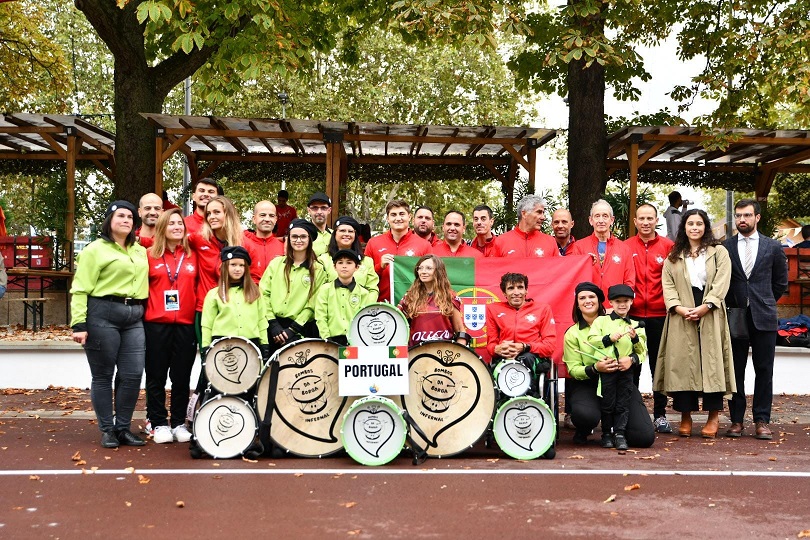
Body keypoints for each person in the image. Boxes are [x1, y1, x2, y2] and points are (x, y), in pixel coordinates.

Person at [70, 200, 149, 449]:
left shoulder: (140, 251)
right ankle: (107, 430)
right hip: (102, 314)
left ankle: (123, 428)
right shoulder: (94, 250)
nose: (126, 220)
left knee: (133, 374)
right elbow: (80, 288)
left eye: (130, 217)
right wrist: (79, 324)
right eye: (120, 216)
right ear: (109, 220)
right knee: (103, 375)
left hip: (134, 315)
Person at [654, 209, 735, 438]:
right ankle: (685, 416)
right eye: (690, 223)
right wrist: (678, 308)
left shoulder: (719, 252)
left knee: (712, 363)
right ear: (684, 227)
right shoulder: (674, 255)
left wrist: (707, 305)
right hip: (681, 312)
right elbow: (668, 285)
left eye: (699, 223)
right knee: (683, 364)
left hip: (710, 310)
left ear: (706, 226)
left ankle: (713, 417)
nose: (695, 228)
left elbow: (722, 281)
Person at [723, 199, 788, 440]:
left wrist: (765, 301)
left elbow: (780, 282)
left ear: (757, 217)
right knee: (735, 370)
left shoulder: (773, 247)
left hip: (764, 315)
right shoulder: (726, 247)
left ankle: (761, 420)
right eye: (739, 215)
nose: (742, 219)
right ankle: (736, 420)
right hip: (735, 314)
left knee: (764, 370)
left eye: (747, 215)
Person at [563, 282, 654, 448]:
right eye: (582, 298)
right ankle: (588, 428)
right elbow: (573, 369)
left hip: (620, 380)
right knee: (585, 415)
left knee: (644, 437)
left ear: (600, 301)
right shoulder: (572, 333)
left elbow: (641, 351)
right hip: (590, 383)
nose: (587, 301)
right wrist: (596, 368)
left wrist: (631, 359)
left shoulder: (622, 323)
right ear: (577, 303)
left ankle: (619, 432)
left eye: (592, 297)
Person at [144, 208, 198, 444]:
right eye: (171, 223)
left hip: (185, 324)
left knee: (181, 376)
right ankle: (157, 422)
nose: (177, 227)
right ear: (162, 228)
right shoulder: (149, 255)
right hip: (156, 324)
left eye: (180, 224)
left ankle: (178, 423)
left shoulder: (193, 255)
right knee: (156, 375)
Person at [625, 203, 675, 433]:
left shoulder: (668, 247)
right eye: (641, 219)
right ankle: (631, 414)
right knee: (633, 367)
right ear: (635, 221)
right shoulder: (626, 247)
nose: (645, 222)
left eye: (649, 218)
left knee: (659, 367)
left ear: (656, 220)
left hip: (660, 315)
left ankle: (660, 415)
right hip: (632, 316)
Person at [587, 284, 647, 451]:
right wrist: (608, 338)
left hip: (626, 371)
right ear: (611, 303)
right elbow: (591, 340)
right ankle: (606, 433)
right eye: (618, 301)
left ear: (631, 302)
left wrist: (634, 342)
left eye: (626, 301)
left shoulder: (636, 325)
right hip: (608, 369)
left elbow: (642, 352)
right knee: (607, 402)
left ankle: (620, 433)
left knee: (623, 403)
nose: (622, 304)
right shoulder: (601, 321)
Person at [260, 218, 329, 350]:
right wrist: (273, 324)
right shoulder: (276, 264)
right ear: (289, 239)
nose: (298, 240)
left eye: (303, 236)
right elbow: (263, 293)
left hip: (299, 329)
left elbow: (313, 302)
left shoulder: (318, 269)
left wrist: (293, 329)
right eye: (294, 236)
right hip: (271, 326)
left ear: (309, 240)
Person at [486, 272, 556, 393]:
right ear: (504, 293)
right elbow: (491, 345)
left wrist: (525, 346)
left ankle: (529, 396)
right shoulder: (493, 309)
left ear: (526, 290)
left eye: (520, 287)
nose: (516, 292)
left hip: (532, 357)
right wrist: (497, 349)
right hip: (505, 358)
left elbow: (549, 346)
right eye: (511, 288)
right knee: (501, 365)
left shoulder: (543, 309)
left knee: (526, 358)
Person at [201, 246, 269, 357]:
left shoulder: (256, 292)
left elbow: (262, 320)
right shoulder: (214, 294)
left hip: (251, 344)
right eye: (233, 265)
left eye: (241, 265)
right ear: (225, 267)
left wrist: (264, 344)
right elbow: (207, 324)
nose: (238, 269)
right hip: (222, 345)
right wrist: (205, 346)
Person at [364, 200, 432, 302]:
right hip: (381, 305)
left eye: (402, 214)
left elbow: (432, 277)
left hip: (413, 304)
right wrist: (379, 267)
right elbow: (363, 277)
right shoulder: (373, 243)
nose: (398, 218)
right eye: (393, 215)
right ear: (387, 218)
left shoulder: (424, 245)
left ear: (409, 217)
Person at [571, 199, 635, 306]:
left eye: (605, 216)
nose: (601, 220)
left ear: (612, 220)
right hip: (588, 308)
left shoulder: (624, 249)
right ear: (590, 220)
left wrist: (620, 305)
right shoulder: (579, 247)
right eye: (597, 216)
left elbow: (629, 282)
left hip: (615, 308)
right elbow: (574, 279)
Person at [398, 254, 468, 348]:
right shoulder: (410, 297)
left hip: (444, 353)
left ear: (438, 271)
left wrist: (458, 352)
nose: (423, 272)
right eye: (420, 268)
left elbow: (460, 330)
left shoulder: (450, 296)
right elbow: (397, 326)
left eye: (428, 268)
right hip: (416, 352)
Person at [314, 249, 375, 345]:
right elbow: (320, 316)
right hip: (330, 340)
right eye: (340, 262)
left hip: (355, 341)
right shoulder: (325, 289)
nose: (344, 266)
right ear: (334, 267)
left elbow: (364, 319)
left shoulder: (364, 293)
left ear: (357, 267)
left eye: (349, 263)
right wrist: (326, 338)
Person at [319, 215, 379, 296]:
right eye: (342, 231)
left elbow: (373, 290)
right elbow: (319, 290)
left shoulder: (367, 262)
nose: (346, 234)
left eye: (350, 231)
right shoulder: (323, 260)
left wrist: (365, 303)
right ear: (335, 234)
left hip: (360, 303)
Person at [494, 194, 559, 258]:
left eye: (543, 213)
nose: (543, 217)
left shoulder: (550, 242)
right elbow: (493, 265)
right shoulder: (501, 241)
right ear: (524, 214)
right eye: (539, 212)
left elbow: (558, 265)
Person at [243, 200, 284, 283]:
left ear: (276, 219)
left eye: (271, 216)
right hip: (250, 290)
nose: (267, 219)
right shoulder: (243, 244)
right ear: (254, 219)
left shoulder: (284, 247)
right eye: (262, 215)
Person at [307, 191, 333, 256]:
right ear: (309, 210)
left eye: (323, 208)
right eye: (315, 208)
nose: (319, 212)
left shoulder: (335, 235)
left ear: (329, 210)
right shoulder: (304, 235)